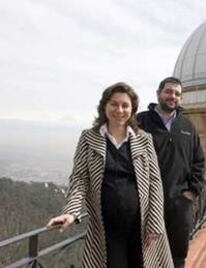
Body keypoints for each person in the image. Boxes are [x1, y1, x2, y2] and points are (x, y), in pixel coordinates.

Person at [47, 82, 173, 268]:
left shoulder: (144, 139)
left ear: (132, 109)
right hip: (107, 227)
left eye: (125, 105)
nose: (119, 110)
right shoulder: (89, 138)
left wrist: (155, 222)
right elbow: (79, 178)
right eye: (114, 104)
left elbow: (155, 182)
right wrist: (71, 212)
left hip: (142, 225)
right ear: (104, 106)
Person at [138, 76, 206, 268]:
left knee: (177, 254)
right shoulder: (140, 122)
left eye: (177, 94)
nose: (172, 96)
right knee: (145, 254)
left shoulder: (187, 127)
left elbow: (199, 161)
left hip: (178, 205)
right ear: (158, 94)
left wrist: (192, 191)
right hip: (146, 204)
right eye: (168, 92)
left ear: (181, 99)